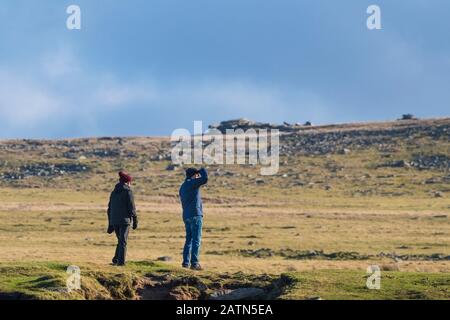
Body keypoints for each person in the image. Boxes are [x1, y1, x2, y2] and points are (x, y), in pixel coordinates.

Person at [179, 167, 208, 270]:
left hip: (186, 216)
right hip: (195, 214)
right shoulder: (193, 183)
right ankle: (194, 263)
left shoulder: (183, 186)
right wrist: (202, 170)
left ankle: (185, 263)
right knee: (196, 240)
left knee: (189, 240)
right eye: (196, 175)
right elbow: (205, 179)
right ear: (194, 175)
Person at [107, 171, 138, 266]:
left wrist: (110, 224)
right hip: (125, 221)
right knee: (123, 242)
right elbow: (131, 207)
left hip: (114, 220)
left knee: (120, 240)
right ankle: (121, 263)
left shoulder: (113, 192)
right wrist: (135, 219)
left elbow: (109, 208)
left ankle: (116, 259)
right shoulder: (128, 192)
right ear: (127, 182)